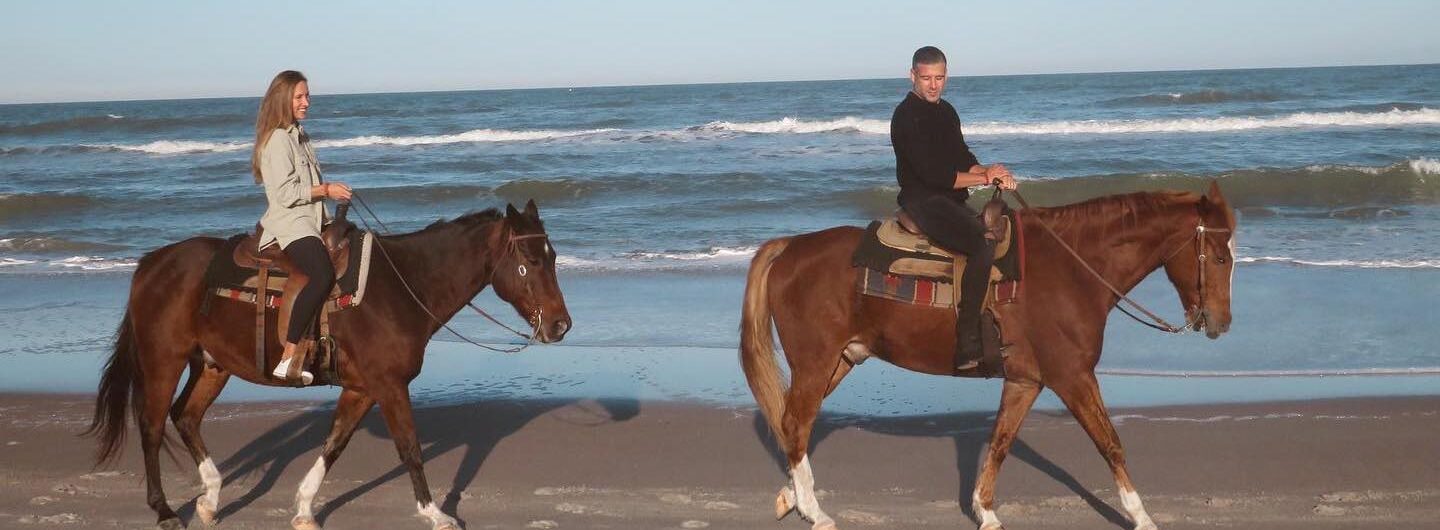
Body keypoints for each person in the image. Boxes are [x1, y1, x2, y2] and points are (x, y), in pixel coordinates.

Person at [889, 46, 1017, 372]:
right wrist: (983, 177)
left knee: (1012, 226)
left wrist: (990, 171)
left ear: (947, 76)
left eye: (939, 78)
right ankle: (967, 340)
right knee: (980, 242)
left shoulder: (946, 111)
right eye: (926, 78)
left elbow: (961, 156)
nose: (933, 85)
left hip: (949, 200)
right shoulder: (906, 116)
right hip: (923, 201)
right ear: (912, 76)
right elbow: (935, 175)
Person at [251, 70, 351, 384]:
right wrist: (326, 190)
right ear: (284, 100)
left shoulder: (300, 135)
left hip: (311, 220)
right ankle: (289, 356)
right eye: (299, 97)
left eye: (307, 96)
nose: (306, 102)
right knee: (322, 274)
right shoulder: (279, 140)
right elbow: (283, 194)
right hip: (291, 225)